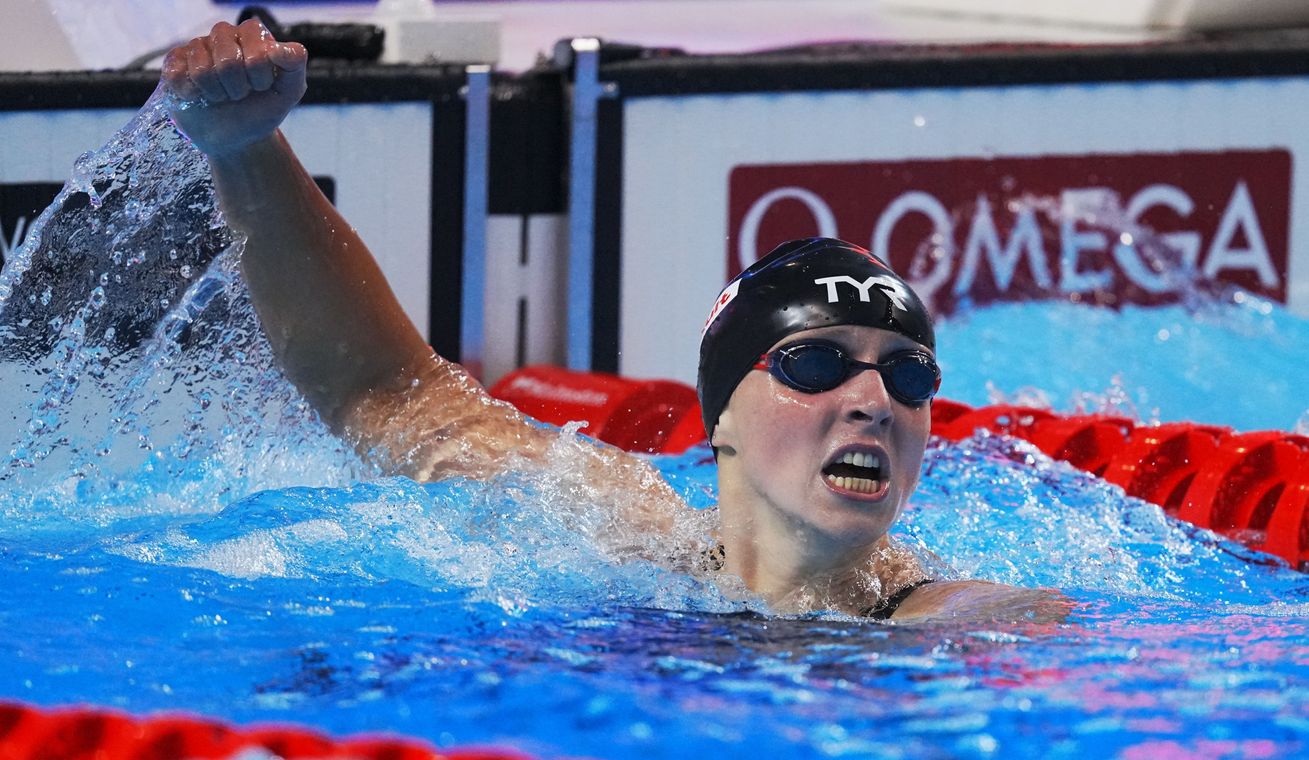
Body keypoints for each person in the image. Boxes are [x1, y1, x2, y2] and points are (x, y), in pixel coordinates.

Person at [161, 20, 1064, 622]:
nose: (874, 398)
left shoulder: (921, 615)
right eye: (815, 363)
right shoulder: (616, 527)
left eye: (907, 376)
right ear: (720, 418)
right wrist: (247, 151)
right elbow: (377, 391)